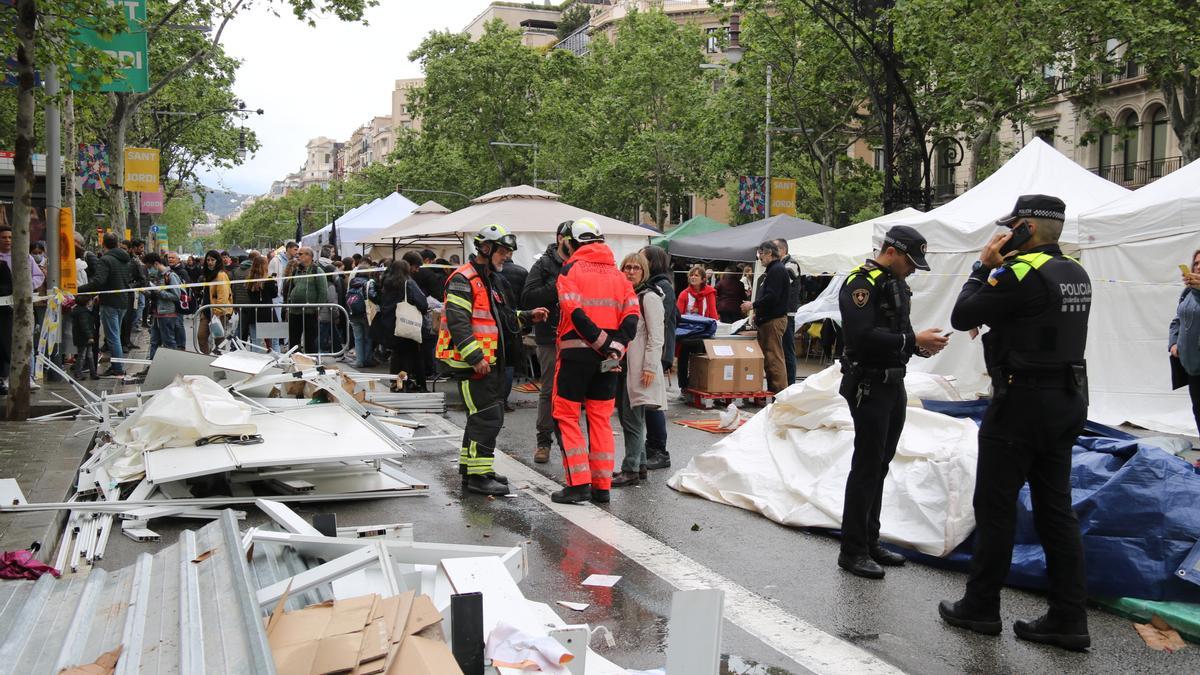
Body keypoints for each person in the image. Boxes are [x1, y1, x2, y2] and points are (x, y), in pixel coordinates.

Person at [940, 195, 1092, 651]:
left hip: (1022, 399)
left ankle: (980, 606)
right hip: (1067, 397)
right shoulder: (1076, 272)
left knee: (996, 506)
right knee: (1056, 510)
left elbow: (963, 315)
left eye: (1011, 228)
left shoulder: (1019, 271)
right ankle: (1069, 618)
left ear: (1025, 228)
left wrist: (981, 268)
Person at [836, 225, 948, 580]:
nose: (914, 268)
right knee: (867, 466)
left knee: (881, 463)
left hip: (892, 383)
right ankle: (852, 550)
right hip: (868, 383)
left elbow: (893, 332)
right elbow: (862, 335)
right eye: (911, 261)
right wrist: (912, 339)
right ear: (893, 252)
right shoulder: (862, 282)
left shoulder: (893, 283)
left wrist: (917, 345)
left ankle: (870, 540)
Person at [435, 225, 547, 496]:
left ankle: (476, 470)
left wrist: (527, 315)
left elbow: (501, 317)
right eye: (503, 251)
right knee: (487, 418)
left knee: (485, 418)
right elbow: (459, 322)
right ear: (486, 248)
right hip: (473, 363)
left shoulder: (490, 280)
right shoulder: (464, 279)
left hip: (489, 360)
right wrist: (475, 356)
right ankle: (477, 476)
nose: (507, 257)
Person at [550, 218, 639, 504]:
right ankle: (602, 486)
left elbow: (574, 312)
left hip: (577, 354)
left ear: (573, 243)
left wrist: (602, 342)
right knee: (600, 419)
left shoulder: (570, 271)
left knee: (566, 416)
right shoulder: (619, 275)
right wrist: (616, 348)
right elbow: (631, 316)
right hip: (610, 359)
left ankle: (578, 485)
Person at [612, 251, 666, 487]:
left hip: (640, 367)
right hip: (625, 365)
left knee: (632, 418)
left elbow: (657, 337)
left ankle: (631, 467)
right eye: (627, 267)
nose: (631, 271)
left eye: (636, 268)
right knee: (629, 417)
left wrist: (650, 367)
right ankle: (640, 464)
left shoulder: (649, 298)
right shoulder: (627, 295)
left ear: (644, 272)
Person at [522, 221, 572, 464]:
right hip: (550, 336)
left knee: (573, 392)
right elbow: (529, 298)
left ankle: (569, 443)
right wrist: (560, 280)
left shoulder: (583, 262)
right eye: (570, 238)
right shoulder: (543, 264)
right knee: (550, 390)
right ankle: (544, 442)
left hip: (578, 337)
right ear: (560, 237)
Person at [641, 245, 676, 470]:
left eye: (642, 259)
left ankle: (659, 450)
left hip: (658, 351)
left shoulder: (662, 286)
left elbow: (660, 322)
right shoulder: (657, 284)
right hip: (655, 350)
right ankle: (652, 445)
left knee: (653, 403)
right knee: (648, 402)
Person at [0, 225, 47, 393]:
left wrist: (27, 288)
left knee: (26, 339)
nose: (7, 240)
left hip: (23, 307)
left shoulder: (23, 256)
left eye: (10, 237)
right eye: (4, 237)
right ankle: (5, 377)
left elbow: (38, 276)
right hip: (3, 310)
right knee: (5, 343)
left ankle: (28, 376)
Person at [76, 233, 131, 377]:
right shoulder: (126, 259)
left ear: (103, 244)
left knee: (113, 337)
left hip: (110, 302)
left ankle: (118, 368)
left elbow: (99, 282)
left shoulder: (105, 260)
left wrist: (78, 289)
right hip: (123, 301)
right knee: (116, 335)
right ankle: (117, 366)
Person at [741, 241, 791, 394]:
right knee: (770, 359)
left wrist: (753, 305)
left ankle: (779, 393)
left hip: (774, 321)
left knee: (774, 358)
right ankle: (774, 392)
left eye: (761, 253)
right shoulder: (774, 270)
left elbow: (772, 297)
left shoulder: (777, 270)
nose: (760, 257)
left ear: (770, 253)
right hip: (769, 320)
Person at [372, 260, 428, 391]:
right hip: (406, 323)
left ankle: (396, 383)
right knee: (413, 354)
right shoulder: (408, 283)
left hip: (390, 325)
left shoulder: (385, 284)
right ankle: (415, 384)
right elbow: (422, 303)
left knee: (397, 354)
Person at [284, 247, 327, 354]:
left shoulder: (317, 271)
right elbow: (290, 290)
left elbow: (323, 292)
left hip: (310, 313)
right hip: (294, 311)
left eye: (301, 254)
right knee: (293, 341)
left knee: (310, 341)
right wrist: (288, 307)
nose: (297, 256)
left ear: (309, 256)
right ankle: (294, 362)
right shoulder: (296, 271)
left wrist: (317, 309)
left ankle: (310, 364)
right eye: (297, 253)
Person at [775, 239, 804, 387]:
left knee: (787, 349)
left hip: (787, 313)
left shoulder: (791, 264)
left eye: (774, 250)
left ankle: (790, 384)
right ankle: (783, 383)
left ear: (783, 250)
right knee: (782, 350)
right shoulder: (780, 265)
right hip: (781, 313)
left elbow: (782, 282)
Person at [142, 253, 182, 358]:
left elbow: (176, 295)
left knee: (169, 342)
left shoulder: (170, 276)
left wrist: (158, 291)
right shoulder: (158, 276)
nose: (149, 270)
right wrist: (145, 292)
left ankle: (172, 368)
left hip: (167, 314)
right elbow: (155, 296)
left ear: (156, 264)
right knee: (154, 342)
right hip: (156, 313)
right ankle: (152, 367)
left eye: (149, 267)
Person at [196, 250, 232, 355]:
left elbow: (223, 296)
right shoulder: (208, 275)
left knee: (219, 340)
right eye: (208, 260)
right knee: (201, 336)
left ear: (217, 261)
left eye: (212, 260)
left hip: (218, 313)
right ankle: (206, 358)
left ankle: (220, 361)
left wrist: (217, 312)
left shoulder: (221, 275)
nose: (209, 262)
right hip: (206, 311)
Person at [244, 254, 277, 351]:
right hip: (268, 313)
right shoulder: (269, 280)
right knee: (274, 341)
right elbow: (274, 294)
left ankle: (254, 363)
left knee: (255, 342)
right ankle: (277, 363)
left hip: (254, 313)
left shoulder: (249, 281)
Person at [346, 261, 376, 367]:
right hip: (365, 314)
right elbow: (373, 296)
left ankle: (359, 361)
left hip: (353, 313)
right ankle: (367, 360)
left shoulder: (352, 282)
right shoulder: (369, 282)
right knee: (368, 338)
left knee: (358, 338)